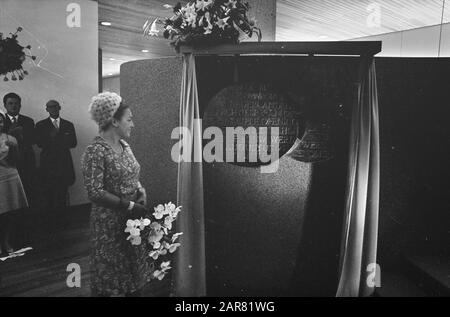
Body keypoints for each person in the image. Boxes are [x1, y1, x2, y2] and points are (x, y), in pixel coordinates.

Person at [81, 92, 153, 297]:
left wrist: (140, 190)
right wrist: (129, 206)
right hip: (109, 223)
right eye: (129, 119)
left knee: (132, 277)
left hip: (131, 221)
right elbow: (94, 192)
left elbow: (131, 172)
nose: (133, 124)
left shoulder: (124, 145)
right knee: (113, 279)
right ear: (114, 121)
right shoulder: (95, 150)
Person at [35, 100, 77, 217]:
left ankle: (63, 219)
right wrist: (53, 138)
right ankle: (51, 221)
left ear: (59, 107)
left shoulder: (68, 124)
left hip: (64, 163)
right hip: (48, 165)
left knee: (62, 192)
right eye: (50, 107)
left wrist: (56, 140)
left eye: (55, 106)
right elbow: (39, 143)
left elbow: (73, 143)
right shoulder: (40, 125)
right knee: (49, 193)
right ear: (46, 109)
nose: (53, 109)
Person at [0, 113, 29, 255]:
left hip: (10, 176)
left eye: (0, 121)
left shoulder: (10, 138)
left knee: (9, 212)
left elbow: (16, 160)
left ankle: (6, 241)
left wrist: (14, 146)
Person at [3, 93, 36, 204]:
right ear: (5, 105)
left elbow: (33, 141)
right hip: (8, 163)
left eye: (16, 103)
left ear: (20, 105)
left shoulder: (28, 121)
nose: (13, 106)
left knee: (29, 191)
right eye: (10, 103)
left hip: (27, 161)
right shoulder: (1, 122)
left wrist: (21, 136)